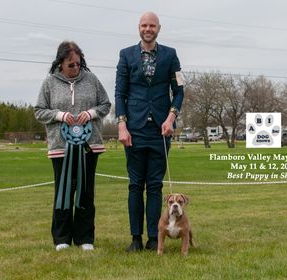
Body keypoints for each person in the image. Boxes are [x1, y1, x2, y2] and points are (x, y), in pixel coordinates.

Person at [115, 12, 184, 252]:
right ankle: (135, 238)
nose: (148, 29)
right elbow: (120, 94)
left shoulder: (170, 55)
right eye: (144, 25)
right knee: (135, 185)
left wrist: (171, 117)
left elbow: (180, 91)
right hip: (134, 130)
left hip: (160, 131)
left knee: (155, 186)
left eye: (152, 25)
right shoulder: (125, 55)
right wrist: (122, 125)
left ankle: (154, 238)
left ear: (159, 28)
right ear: (138, 28)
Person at [35, 41, 111, 251]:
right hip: (60, 148)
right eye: (71, 65)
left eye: (78, 64)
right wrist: (60, 115)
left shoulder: (92, 79)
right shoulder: (49, 83)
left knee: (86, 192)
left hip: (89, 146)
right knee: (63, 192)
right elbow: (39, 111)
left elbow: (105, 104)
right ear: (60, 63)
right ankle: (62, 239)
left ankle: (85, 238)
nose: (75, 68)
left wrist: (91, 113)